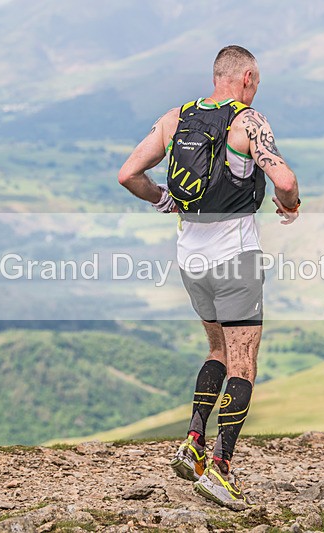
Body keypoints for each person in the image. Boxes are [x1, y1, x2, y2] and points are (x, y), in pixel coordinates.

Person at [118, 45, 300, 509]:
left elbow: (128, 174)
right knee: (243, 361)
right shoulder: (248, 121)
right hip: (234, 254)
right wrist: (291, 205)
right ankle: (220, 470)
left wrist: (164, 201)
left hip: (189, 253)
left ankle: (194, 442)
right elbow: (283, 180)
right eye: (255, 81)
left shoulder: (176, 118)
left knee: (216, 348)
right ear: (247, 77)